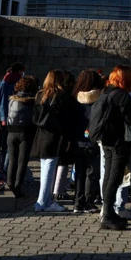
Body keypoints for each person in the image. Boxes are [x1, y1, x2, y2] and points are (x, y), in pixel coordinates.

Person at [94, 65, 131, 230]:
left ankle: (107, 211)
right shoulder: (123, 95)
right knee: (115, 177)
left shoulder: (105, 92)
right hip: (119, 142)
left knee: (107, 176)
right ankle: (107, 215)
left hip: (105, 140)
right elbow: (130, 119)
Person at [33, 70, 77, 212]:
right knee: (49, 170)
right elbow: (66, 120)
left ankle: (46, 200)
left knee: (45, 169)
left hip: (42, 135)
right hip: (55, 137)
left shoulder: (40, 94)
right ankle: (42, 202)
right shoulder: (61, 96)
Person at [71, 70, 104, 213]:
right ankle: (88, 202)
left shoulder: (75, 98)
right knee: (92, 173)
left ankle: (78, 202)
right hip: (93, 139)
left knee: (79, 172)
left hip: (78, 140)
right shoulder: (100, 98)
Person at [3, 75, 38, 194]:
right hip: (26, 132)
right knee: (22, 162)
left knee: (12, 160)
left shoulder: (12, 99)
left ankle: (10, 183)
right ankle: (18, 186)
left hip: (11, 131)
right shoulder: (32, 101)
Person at [0, 63, 25, 160]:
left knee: (5, 142)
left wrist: (1, 116)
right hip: (15, 115)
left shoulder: (2, 82)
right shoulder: (19, 83)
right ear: (20, 71)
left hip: (3, 115)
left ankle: (4, 164)